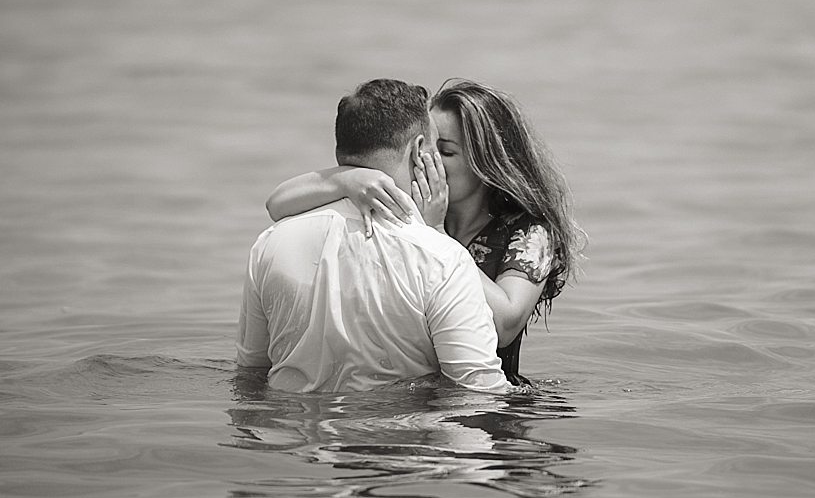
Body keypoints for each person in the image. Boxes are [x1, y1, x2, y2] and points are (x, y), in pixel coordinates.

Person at [266, 79, 585, 384]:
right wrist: (343, 180)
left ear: (485, 162)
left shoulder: (528, 230)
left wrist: (435, 232)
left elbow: (506, 323)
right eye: (426, 146)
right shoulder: (406, 206)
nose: (425, 160)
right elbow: (278, 204)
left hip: (487, 401)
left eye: (444, 152)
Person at [237, 78, 511, 395]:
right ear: (418, 149)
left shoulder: (271, 244)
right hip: (398, 437)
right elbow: (477, 391)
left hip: (296, 438)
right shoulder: (441, 257)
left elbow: (251, 374)